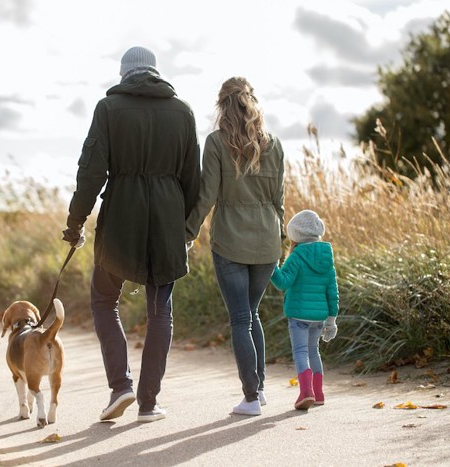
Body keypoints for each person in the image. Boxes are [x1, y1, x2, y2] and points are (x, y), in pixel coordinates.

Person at [62, 46, 200, 423]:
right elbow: (193, 180)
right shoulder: (183, 111)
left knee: (105, 300)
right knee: (161, 313)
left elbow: (90, 172)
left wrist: (75, 223)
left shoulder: (108, 109)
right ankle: (148, 403)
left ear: (124, 73)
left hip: (122, 215)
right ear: (156, 71)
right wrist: (183, 228)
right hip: (167, 222)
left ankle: (120, 386)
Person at [185, 77, 285, 416]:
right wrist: (282, 240)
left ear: (222, 105)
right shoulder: (275, 144)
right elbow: (279, 201)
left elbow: (207, 195)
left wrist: (188, 232)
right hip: (268, 241)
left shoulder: (215, 143)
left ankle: (251, 397)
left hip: (230, 241)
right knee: (251, 313)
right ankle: (260, 389)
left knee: (241, 318)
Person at [269, 209, 339, 410]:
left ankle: (305, 392)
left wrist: (271, 266)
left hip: (299, 314)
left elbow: (283, 283)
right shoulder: (327, 256)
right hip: (319, 316)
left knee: (301, 352)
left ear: (295, 236)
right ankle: (318, 394)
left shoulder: (297, 255)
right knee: (313, 351)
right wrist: (332, 320)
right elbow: (332, 290)